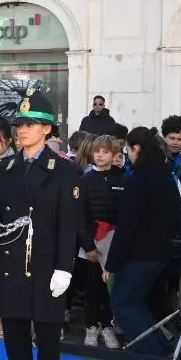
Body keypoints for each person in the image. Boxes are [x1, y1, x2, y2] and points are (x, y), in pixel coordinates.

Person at [0, 90, 79, 360]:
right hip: (10, 261)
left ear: (46, 130)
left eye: (31, 124)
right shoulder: (5, 168)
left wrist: (65, 267)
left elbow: (69, 224)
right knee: (15, 335)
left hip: (45, 263)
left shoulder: (63, 171)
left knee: (47, 336)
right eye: (20, 124)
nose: (22, 130)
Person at [106, 127, 181, 357]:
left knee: (122, 303)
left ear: (136, 148)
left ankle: (153, 353)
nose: (127, 154)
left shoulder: (140, 178)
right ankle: (162, 350)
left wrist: (111, 264)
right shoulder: (166, 175)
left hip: (139, 253)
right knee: (135, 302)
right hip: (160, 251)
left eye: (128, 149)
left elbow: (128, 224)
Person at [78, 134, 127, 348]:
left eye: (105, 152)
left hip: (115, 240)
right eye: (97, 151)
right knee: (92, 286)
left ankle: (107, 326)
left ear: (115, 155)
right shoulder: (85, 179)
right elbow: (79, 216)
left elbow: (127, 215)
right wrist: (88, 245)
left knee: (110, 287)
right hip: (91, 239)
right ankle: (90, 327)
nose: (100, 155)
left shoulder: (123, 177)